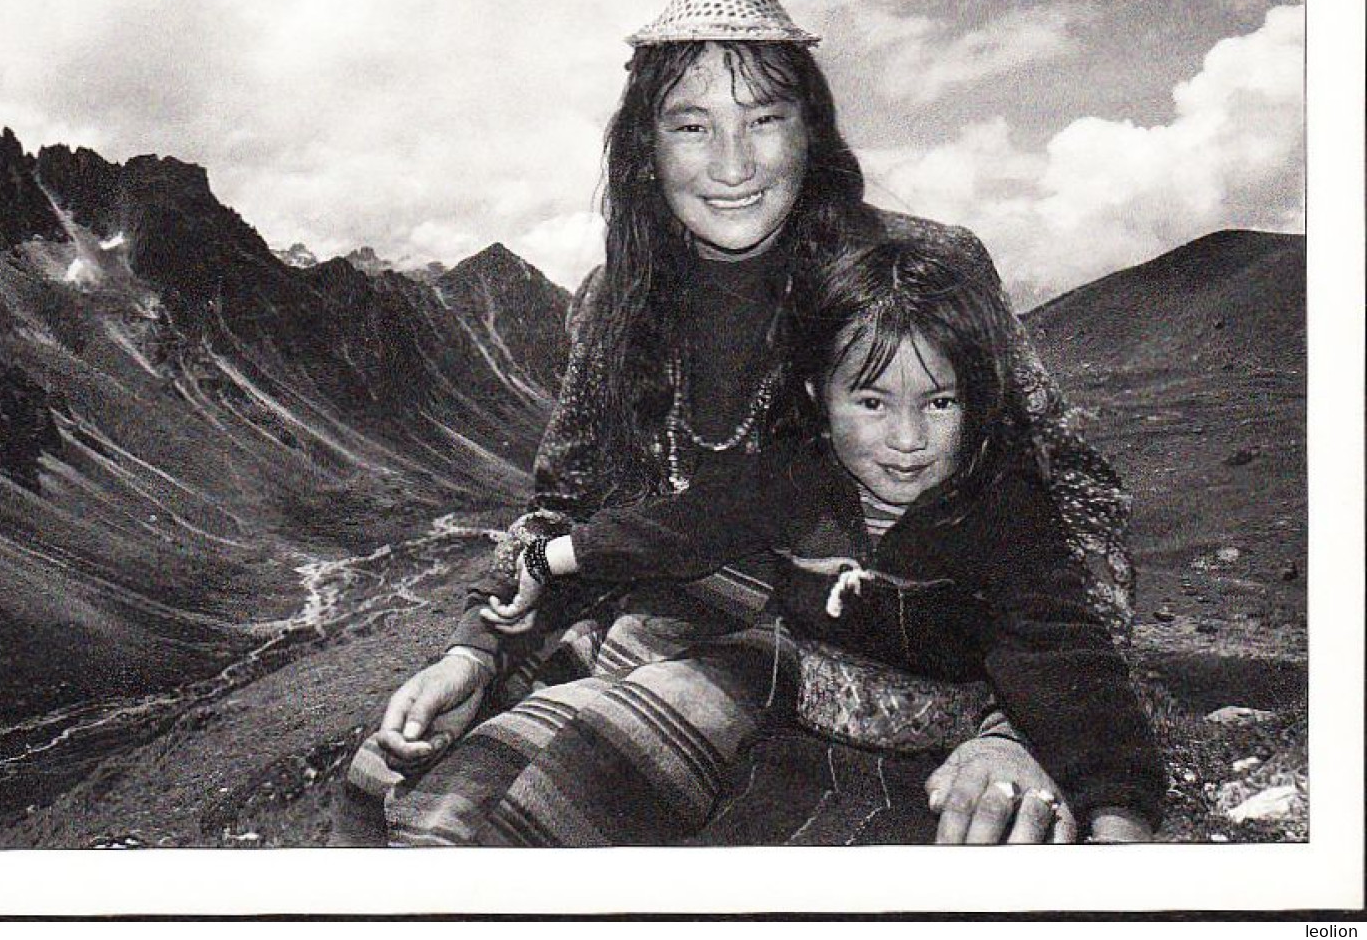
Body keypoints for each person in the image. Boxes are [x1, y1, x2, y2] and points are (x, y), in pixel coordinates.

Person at [329, 0, 1135, 847]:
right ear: (642, 147)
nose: (731, 163)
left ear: (813, 127)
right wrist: (476, 650)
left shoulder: (917, 274)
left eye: (762, 117)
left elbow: (1072, 505)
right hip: (658, 628)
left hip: (869, 656)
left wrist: (1022, 731)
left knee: (552, 823)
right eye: (690, 123)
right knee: (394, 792)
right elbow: (565, 509)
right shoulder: (612, 304)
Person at [488, 238, 1166, 842]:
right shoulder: (791, 480)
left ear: (978, 399)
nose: (908, 440)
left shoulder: (1002, 512)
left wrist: (1118, 824)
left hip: (932, 767)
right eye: (872, 402)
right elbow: (677, 528)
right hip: (788, 731)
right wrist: (549, 556)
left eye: (940, 401)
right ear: (819, 392)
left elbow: (1066, 657)